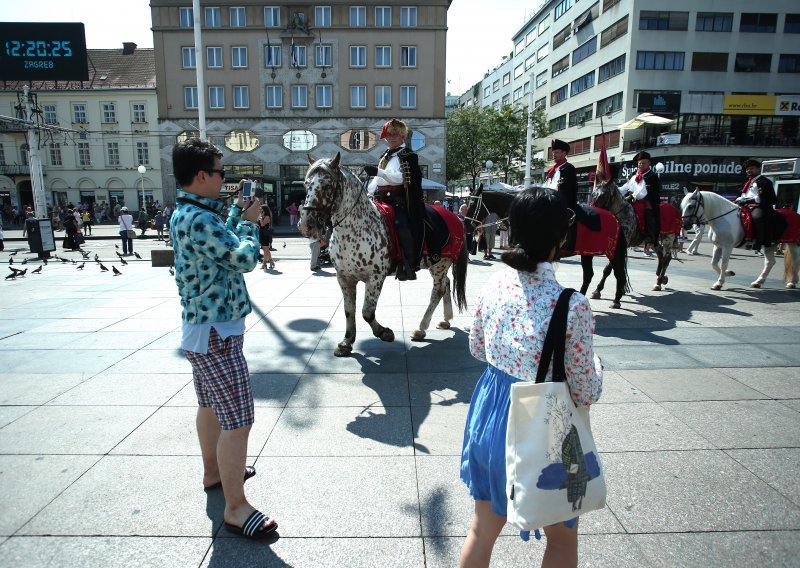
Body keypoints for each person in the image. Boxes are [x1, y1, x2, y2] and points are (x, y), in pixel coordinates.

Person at [460, 187, 603, 568]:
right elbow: (585, 390)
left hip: (491, 417)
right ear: (561, 236)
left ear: (514, 230)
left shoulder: (493, 283)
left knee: (481, 529)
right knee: (561, 538)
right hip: (547, 428)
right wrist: (598, 367)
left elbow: (477, 348)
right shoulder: (572, 304)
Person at [170, 139, 277, 539]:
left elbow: (220, 241)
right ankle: (236, 507)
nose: (224, 179)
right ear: (202, 176)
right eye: (220, 172)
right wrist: (250, 223)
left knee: (210, 407)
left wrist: (235, 212)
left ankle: (214, 472)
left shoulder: (191, 213)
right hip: (217, 332)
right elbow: (242, 257)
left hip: (203, 330)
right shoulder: (198, 219)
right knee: (239, 420)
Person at [364, 117, 424, 281]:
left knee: (400, 224)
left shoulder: (409, 156)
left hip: (398, 200)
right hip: (379, 198)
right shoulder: (385, 156)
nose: (391, 138)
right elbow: (377, 180)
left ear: (403, 136)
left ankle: (409, 264)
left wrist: (379, 172)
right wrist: (368, 193)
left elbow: (401, 178)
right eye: (389, 135)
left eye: (395, 135)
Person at [544, 139, 599, 251]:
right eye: (553, 152)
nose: (554, 154)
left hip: (562, 203)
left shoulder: (568, 168)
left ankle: (560, 244)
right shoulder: (552, 170)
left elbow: (568, 190)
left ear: (564, 153)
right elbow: (545, 187)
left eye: (557, 152)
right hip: (548, 201)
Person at [736, 159, 781, 253]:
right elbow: (743, 195)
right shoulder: (747, 182)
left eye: (751, 168)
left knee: (757, 217)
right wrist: (739, 199)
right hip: (745, 206)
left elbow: (764, 198)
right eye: (747, 169)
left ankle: (759, 242)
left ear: (758, 169)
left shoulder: (764, 182)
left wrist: (747, 200)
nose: (749, 170)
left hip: (758, 206)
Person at [619, 151, 661, 246]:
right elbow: (625, 187)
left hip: (646, 201)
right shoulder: (634, 176)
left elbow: (642, 192)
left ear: (649, 163)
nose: (640, 165)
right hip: (631, 200)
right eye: (639, 163)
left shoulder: (652, 176)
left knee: (648, 211)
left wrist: (633, 196)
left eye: (643, 163)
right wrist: (615, 189)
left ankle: (650, 235)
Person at [259, 204, 275, 270]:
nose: (260, 209)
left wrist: (260, 219)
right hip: (262, 233)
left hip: (265, 234)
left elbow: (262, 224)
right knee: (264, 249)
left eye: (261, 208)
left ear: (264, 209)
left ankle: (267, 262)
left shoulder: (267, 216)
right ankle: (267, 263)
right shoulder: (263, 215)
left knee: (265, 249)